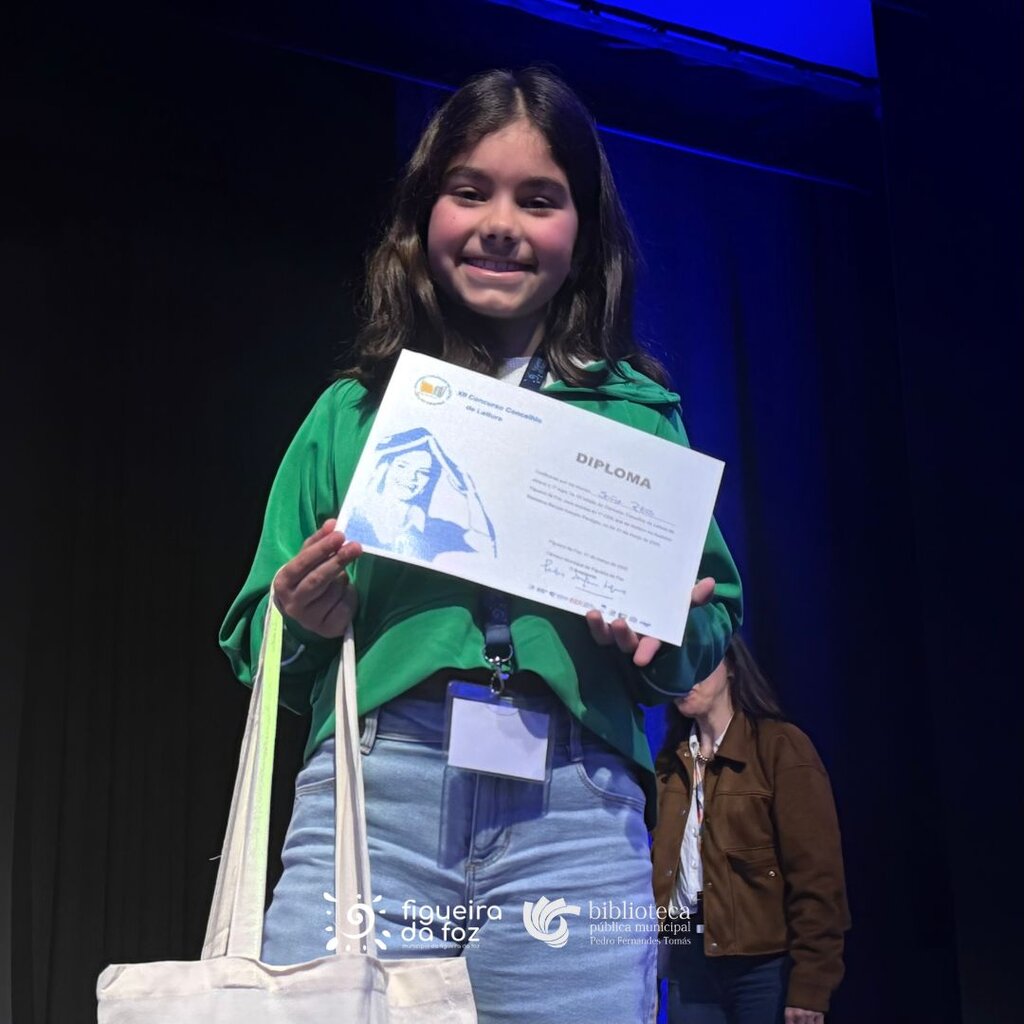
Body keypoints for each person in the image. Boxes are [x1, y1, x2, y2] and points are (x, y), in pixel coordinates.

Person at [220, 67, 742, 1024]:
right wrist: (297, 618)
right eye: (470, 192)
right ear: (426, 215)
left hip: (574, 815)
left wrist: (664, 633)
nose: (501, 223)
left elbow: (710, 626)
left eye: (538, 200)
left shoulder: (638, 417)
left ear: (582, 231)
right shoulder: (353, 412)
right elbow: (256, 637)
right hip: (378, 798)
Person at [651, 636, 849, 1024]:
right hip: (689, 962)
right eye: (675, 667)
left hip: (764, 965)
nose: (684, 677)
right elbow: (660, 874)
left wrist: (811, 983)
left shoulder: (779, 746)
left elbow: (817, 874)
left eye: (697, 662)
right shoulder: (669, 765)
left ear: (730, 667)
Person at [343, 428, 497, 561]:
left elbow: (485, 547)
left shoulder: (434, 529)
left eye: (423, 472)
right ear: (384, 467)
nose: (411, 477)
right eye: (402, 466)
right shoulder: (353, 517)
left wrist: (470, 493)